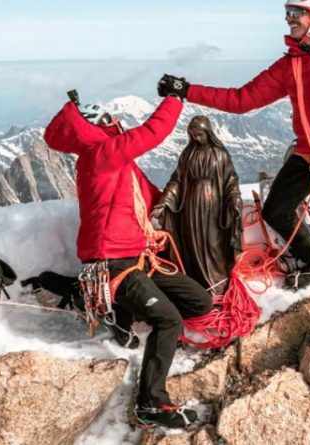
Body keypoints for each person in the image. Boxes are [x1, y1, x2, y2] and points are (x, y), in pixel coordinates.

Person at [157, 0, 310, 330]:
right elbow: (242, 99)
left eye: (296, 13)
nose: (288, 19)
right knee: (277, 208)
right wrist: (186, 90)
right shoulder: (292, 64)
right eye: (288, 12)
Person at [43, 90, 211, 428]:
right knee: (168, 321)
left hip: (136, 258)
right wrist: (176, 98)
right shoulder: (100, 154)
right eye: (107, 119)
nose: (116, 120)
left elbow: (150, 198)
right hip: (112, 262)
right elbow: (152, 133)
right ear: (93, 128)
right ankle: (151, 403)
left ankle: (114, 313)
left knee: (199, 302)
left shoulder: (119, 163)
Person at [153, 116, 244, 294]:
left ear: (208, 133)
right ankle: (198, 283)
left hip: (213, 206)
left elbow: (230, 181)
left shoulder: (220, 154)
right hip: (189, 205)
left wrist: (234, 201)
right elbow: (177, 181)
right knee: (191, 243)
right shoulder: (187, 154)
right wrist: (164, 201)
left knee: (212, 243)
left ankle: (216, 284)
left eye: (200, 135)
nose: (196, 139)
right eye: (193, 135)